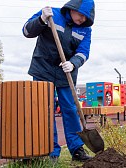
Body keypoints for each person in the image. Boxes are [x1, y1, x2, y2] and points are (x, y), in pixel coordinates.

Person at [22, 0, 95, 162]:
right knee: (45, 110)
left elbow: (84, 52)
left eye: (86, 17)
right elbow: (26, 31)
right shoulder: (51, 15)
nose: (83, 19)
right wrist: (41, 19)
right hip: (43, 69)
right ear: (72, 9)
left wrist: (74, 63)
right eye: (81, 15)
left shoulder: (85, 30)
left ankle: (77, 150)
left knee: (70, 109)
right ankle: (51, 151)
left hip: (66, 72)